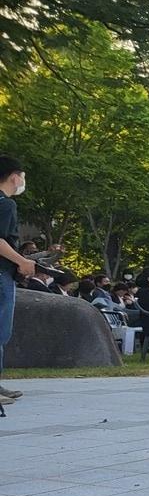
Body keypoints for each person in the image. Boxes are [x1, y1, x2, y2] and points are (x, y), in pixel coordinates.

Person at [0, 155, 36, 406]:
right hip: (1, 274)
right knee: (1, 332)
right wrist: (22, 262)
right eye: (22, 176)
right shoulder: (6, 205)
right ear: (15, 176)